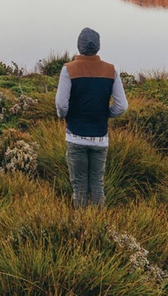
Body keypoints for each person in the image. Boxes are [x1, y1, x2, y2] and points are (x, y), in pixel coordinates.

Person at [54, 27, 128, 206]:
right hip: (100, 138)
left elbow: (61, 105)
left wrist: (64, 115)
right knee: (97, 185)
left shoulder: (68, 70)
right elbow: (122, 106)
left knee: (79, 185)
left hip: (75, 136)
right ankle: (99, 227)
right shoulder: (111, 71)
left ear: (79, 46)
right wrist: (105, 114)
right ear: (98, 47)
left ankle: (81, 228)